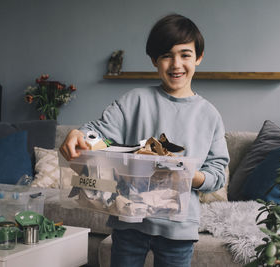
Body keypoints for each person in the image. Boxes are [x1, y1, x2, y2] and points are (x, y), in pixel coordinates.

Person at [59, 14, 229, 267]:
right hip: (129, 222)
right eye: (166, 55)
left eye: (185, 55)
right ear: (154, 60)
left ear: (199, 57)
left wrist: (189, 176)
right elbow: (100, 133)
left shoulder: (210, 115)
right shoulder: (134, 100)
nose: (176, 64)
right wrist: (80, 135)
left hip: (179, 229)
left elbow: (217, 173)